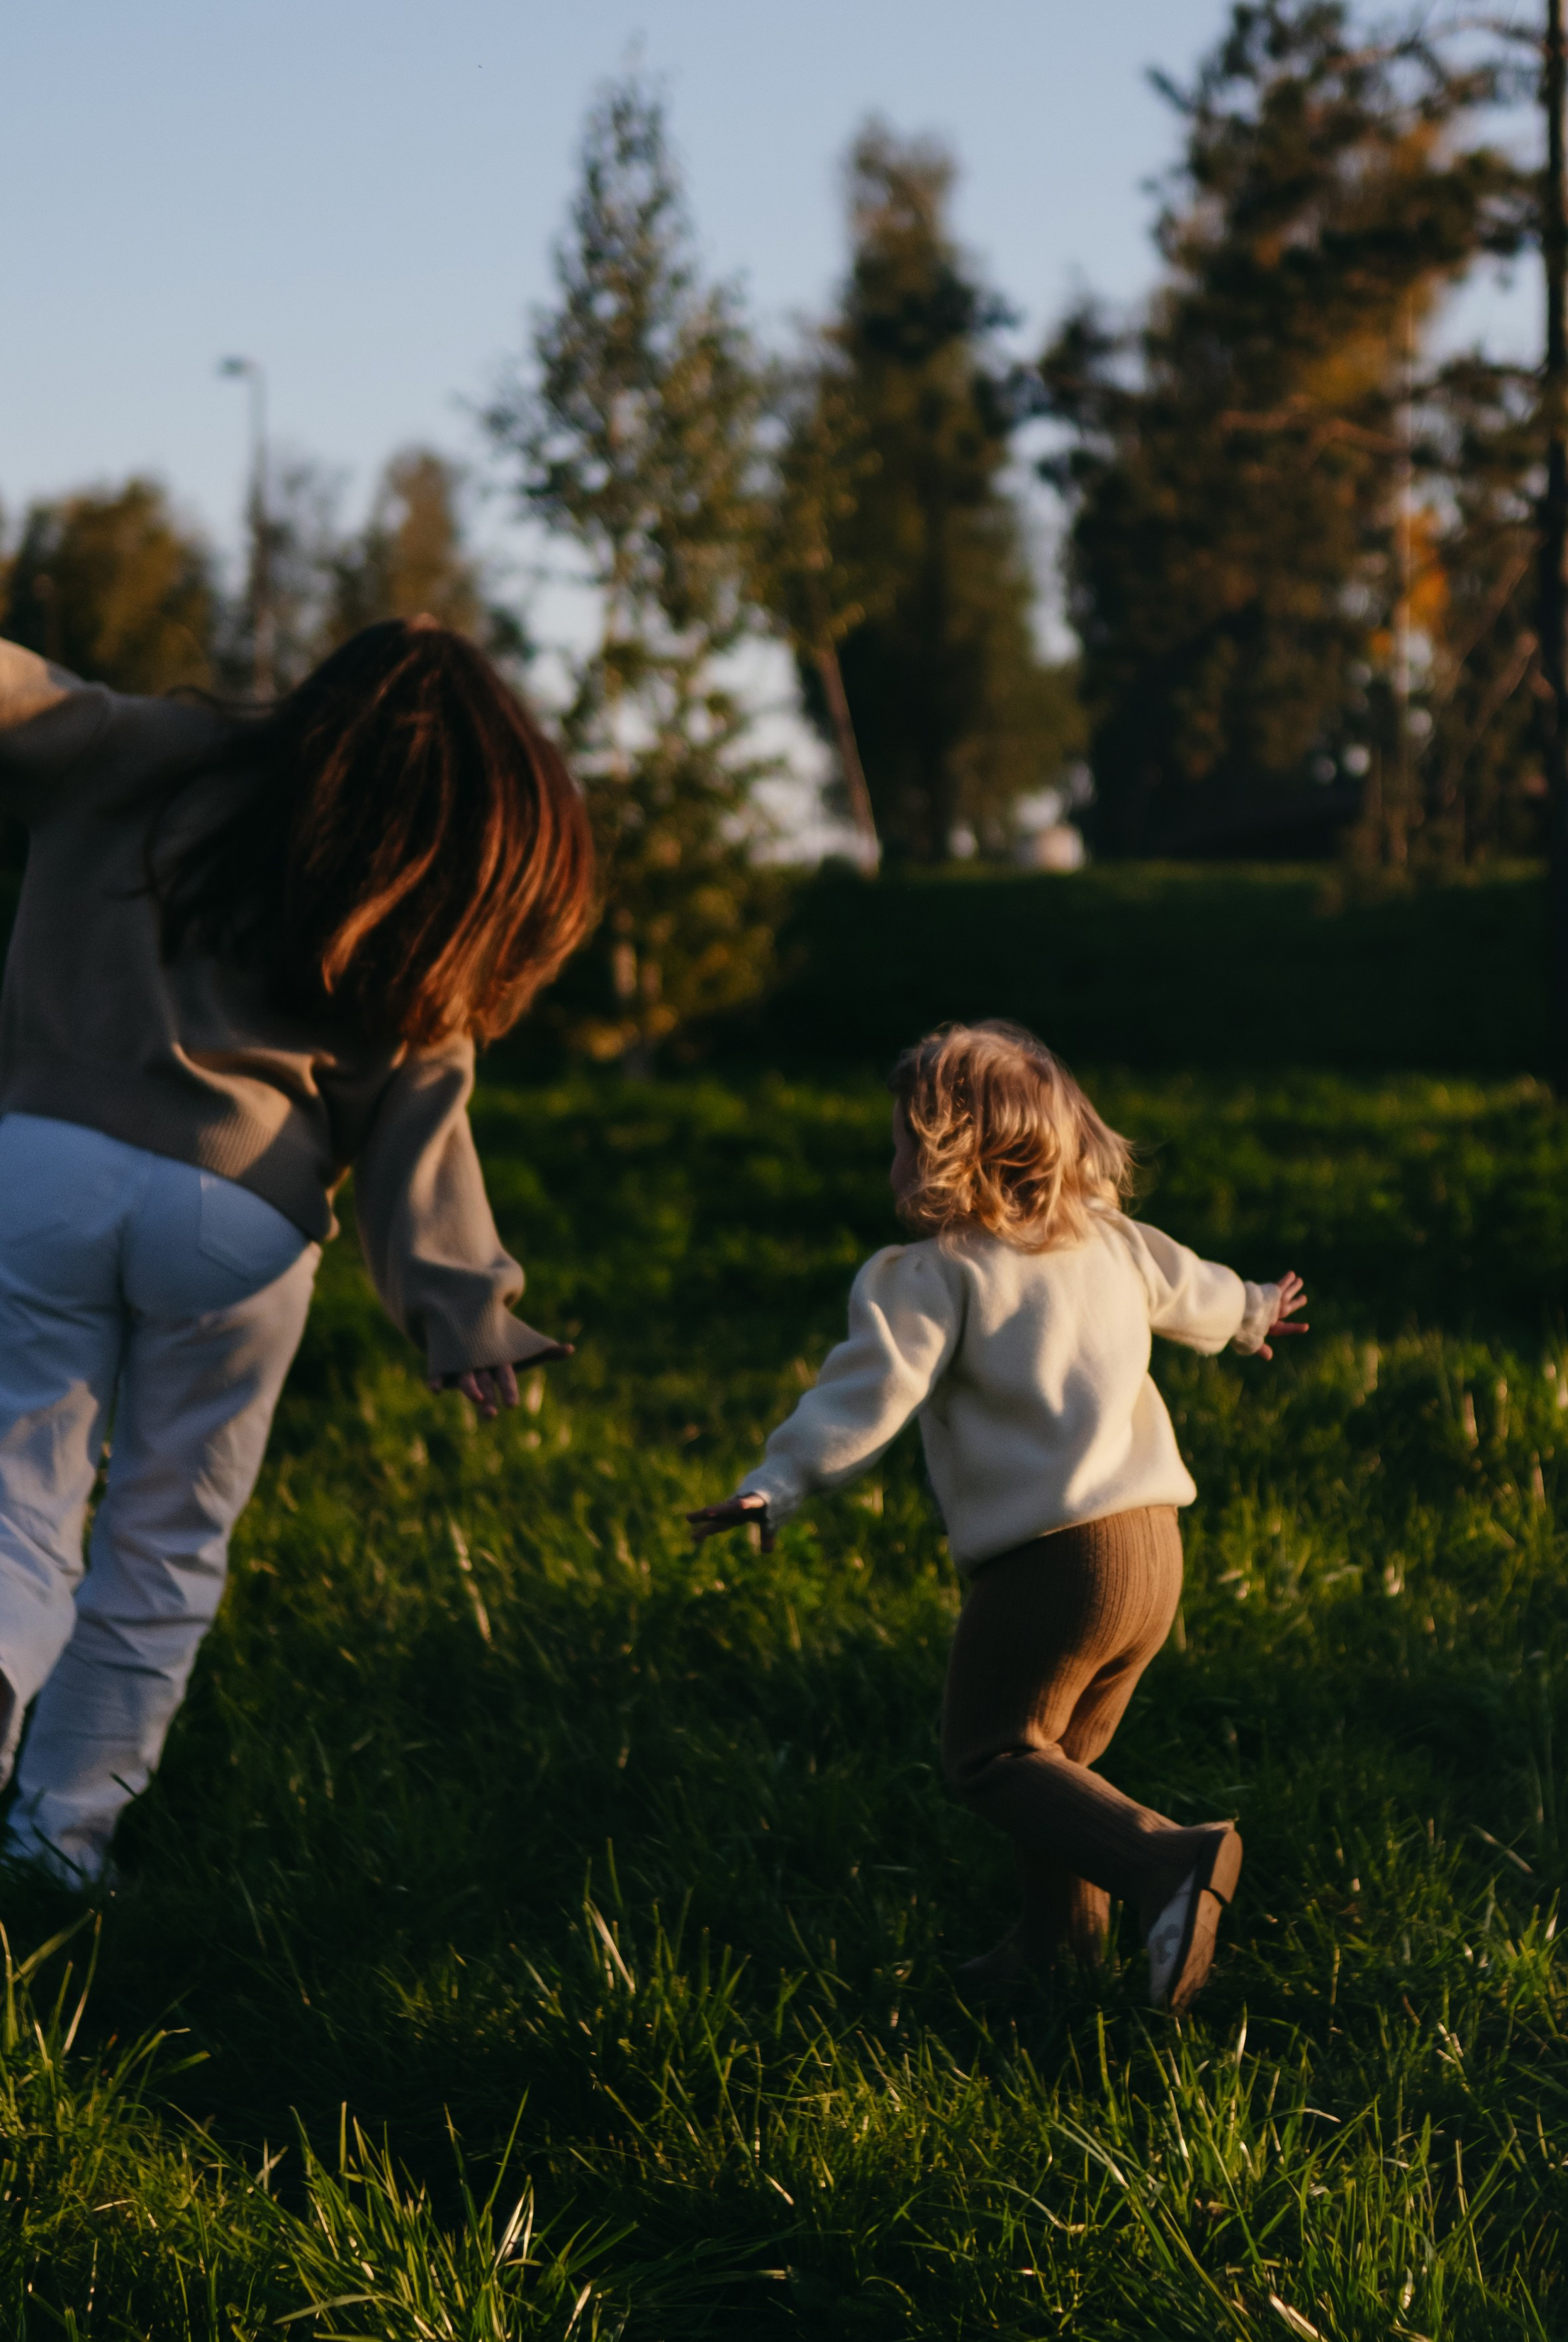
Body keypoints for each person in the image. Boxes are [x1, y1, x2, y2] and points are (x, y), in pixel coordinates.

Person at [0, 618, 593, 1886]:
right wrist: (463, 1307)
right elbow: (423, 1119)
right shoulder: (407, 873)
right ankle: (61, 1839)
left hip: (43, 1164)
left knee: (15, 1501)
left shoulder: (156, 752)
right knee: (166, 1543)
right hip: (242, 1227)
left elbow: (25, 696)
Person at [688, 1019, 1307, 2015]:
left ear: (950, 1154)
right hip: (1154, 1547)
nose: (890, 1160)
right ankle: (1060, 1949)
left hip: (1052, 1566)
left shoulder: (935, 1274)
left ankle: (1169, 1864)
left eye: (901, 1140)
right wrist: (1254, 1311)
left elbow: (866, 1397)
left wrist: (780, 1482)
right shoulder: (1110, 1239)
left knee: (993, 1753)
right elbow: (1195, 1290)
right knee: (1058, 1768)